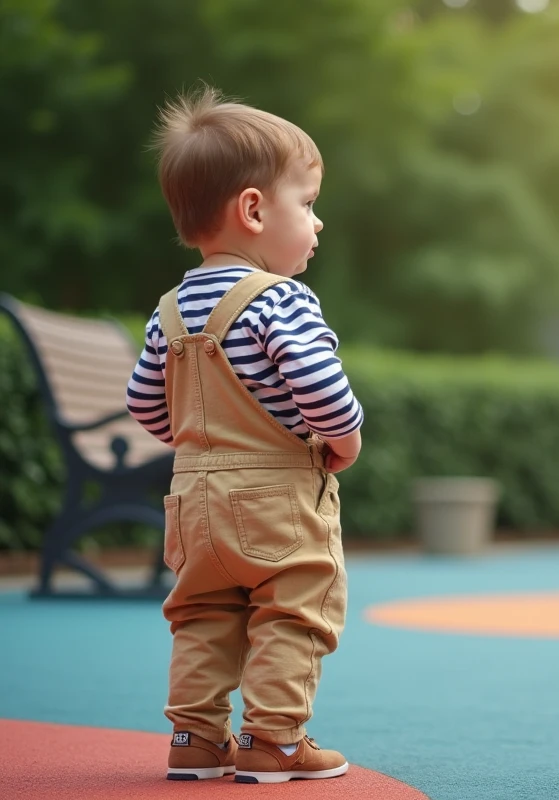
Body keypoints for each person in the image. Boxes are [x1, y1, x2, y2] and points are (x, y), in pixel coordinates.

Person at [125, 86, 364, 783]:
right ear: (255, 210)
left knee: (201, 615)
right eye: (309, 203)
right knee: (294, 611)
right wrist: (343, 440)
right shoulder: (281, 298)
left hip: (192, 503)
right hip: (275, 498)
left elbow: (145, 405)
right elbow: (322, 390)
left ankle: (195, 741)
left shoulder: (168, 310)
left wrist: (197, 440)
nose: (317, 224)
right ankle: (275, 741)